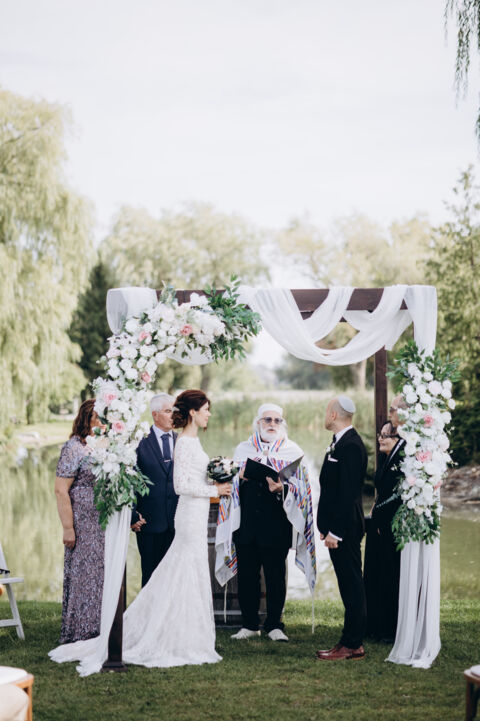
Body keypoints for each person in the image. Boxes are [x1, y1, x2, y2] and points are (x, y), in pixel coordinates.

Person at [122, 389, 232, 668]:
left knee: (187, 574)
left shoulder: (190, 440)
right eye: (206, 409)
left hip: (193, 514)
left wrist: (222, 473)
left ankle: (187, 634)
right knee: (181, 572)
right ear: (193, 412)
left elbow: (192, 476)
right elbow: (181, 486)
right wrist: (215, 490)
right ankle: (163, 634)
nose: (209, 414)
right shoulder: (183, 443)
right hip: (189, 517)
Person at [228, 403, 314, 643]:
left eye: (277, 420)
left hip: (277, 524)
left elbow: (304, 489)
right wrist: (239, 476)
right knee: (247, 576)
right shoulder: (243, 449)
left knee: (276, 576)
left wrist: (282, 488)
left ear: (282, 424)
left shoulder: (292, 451)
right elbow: (230, 482)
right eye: (267, 420)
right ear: (258, 423)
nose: (272, 424)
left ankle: (275, 625)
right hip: (247, 523)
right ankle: (249, 624)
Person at [315, 395, 368, 661]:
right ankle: (348, 641)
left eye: (327, 411)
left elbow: (348, 494)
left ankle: (353, 644)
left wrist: (335, 531)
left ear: (334, 415)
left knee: (352, 586)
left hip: (345, 530)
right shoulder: (339, 442)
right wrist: (326, 526)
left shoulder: (351, 446)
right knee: (348, 586)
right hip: (337, 528)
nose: (325, 416)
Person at [54, 399, 105, 643]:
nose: (103, 422)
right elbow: (60, 490)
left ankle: (101, 627)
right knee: (84, 574)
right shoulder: (73, 447)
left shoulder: (102, 445)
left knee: (100, 574)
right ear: (88, 418)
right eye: (99, 417)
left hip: (103, 522)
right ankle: (81, 630)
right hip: (82, 523)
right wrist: (68, 528)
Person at [131, 393, 178, 587]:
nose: (174, 415)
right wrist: (132, 515)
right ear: (155, 414)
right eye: (168, 411)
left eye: (175, 411)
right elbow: (129, 480)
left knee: (174, 579)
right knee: (150, 578)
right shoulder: (139, 441)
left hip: (177, 523)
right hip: (148, 523)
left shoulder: (182, 441)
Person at [364, 421, 405, 642]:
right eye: (380, 434)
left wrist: (381, 519)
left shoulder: (401, 461)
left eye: (386, 435)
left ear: (398, 439)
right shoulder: (387, 460)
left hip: (388, 528)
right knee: (375, 575)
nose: (380, 438)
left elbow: (396, 496)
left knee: (388, 577)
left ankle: (388, 628)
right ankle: (374, 624)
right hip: (378, 523)